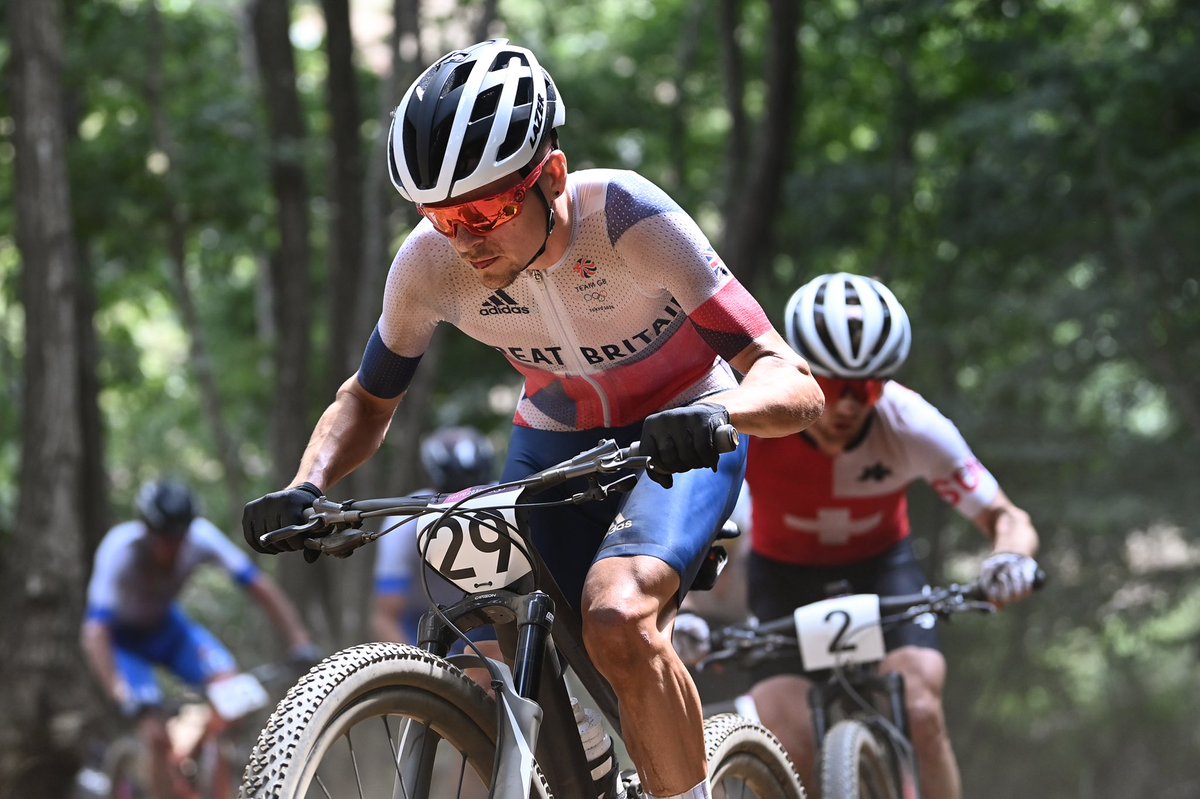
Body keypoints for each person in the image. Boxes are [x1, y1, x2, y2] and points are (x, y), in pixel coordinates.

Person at [241, 38, 824, 799]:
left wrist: (722, 414)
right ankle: (573, 759)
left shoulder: (629, 219)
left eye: (485, 209)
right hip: (555, 440)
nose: (467, 239)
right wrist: (308, 484)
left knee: (617, 617)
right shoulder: (429, 265)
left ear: (550, 175)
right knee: (499, 602)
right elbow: (367, 398)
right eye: (444, 218)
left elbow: (793, 380)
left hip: (683, 430)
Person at [738, 272, 1040, 799]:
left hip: (882, 570)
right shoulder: (751, 422)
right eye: (832, 386)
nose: (849, 405)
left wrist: (1009, 559)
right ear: (798, 372)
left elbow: (1006, 518)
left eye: (867, 387)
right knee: (791, 738)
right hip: (781, 576)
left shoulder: (911, 422)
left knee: (921, 710)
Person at [81, 480, 318, 799]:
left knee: (230, 693)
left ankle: (191, 756)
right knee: (155, 736)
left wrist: (298, 639)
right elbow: (96, 633)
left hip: (169, 630)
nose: (174, 548)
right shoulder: (120, 549)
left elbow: (259, 587)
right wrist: (121, 692)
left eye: (179, 539)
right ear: (147, 531)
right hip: (126, 644)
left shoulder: (201, 537)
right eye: (165, 539)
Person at [372, 425, 498, 644]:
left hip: (489, 613)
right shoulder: (404, 523)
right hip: (421, 617)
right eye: (455, 493)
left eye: (478, 492)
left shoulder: (509, 506)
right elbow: (386, 617)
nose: (465, 505)